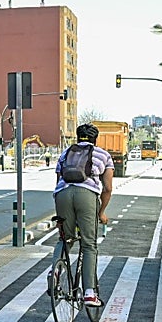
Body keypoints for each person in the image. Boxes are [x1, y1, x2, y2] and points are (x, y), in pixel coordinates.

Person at [53, 123, 114, 307]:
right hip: (87, 197)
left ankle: (55, 272)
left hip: (62, 195)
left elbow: (58, 182)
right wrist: (101, 212)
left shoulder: (65, 153)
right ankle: (89, 293)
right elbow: (108, 188)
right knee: (89, 245)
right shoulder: (103, 154)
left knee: (65, 238)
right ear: (96, 139)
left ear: (77, 138)